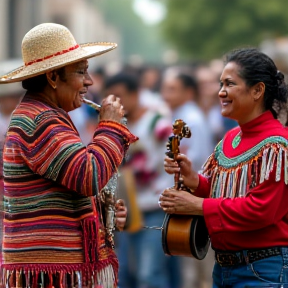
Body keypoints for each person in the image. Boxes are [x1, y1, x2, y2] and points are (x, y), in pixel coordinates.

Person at [0, 23, 138, 288]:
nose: (90, 82)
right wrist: (110, 126)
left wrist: (100, 213)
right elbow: (89, 175)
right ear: (53, 77)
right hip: (50, 275)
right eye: (81, 72)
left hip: (55, 270)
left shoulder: (45, 115)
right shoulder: (39, 120)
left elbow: (66, 186)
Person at [159, 47, 288, 287]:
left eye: (229, 84)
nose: (220, 92)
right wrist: (195, 181)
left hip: (264, 270)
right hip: (224, 268)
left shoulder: (278, 144)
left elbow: (262, 210)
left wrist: (198, 206)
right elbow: (225, 192)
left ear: (258, 90)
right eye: (221, 84)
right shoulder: (230, 139)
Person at [104, 72, 181, 288]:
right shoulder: (116, 128)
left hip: (155, 209)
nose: (114, 104)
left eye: (118, 97)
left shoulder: (158, 124)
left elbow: (173, 167)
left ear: (136, 94)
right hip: (126, 211)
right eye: (110, 99)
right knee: (127, 272)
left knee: (150, 274)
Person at [161, 70, 214, 288]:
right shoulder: (178, 117)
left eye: (172, 89)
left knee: (199, 269)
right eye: (165, 89)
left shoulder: (192, 120)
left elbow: (201, 163)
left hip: (195, 200)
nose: (165, 94)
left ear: (189, 92)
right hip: (187, 200)